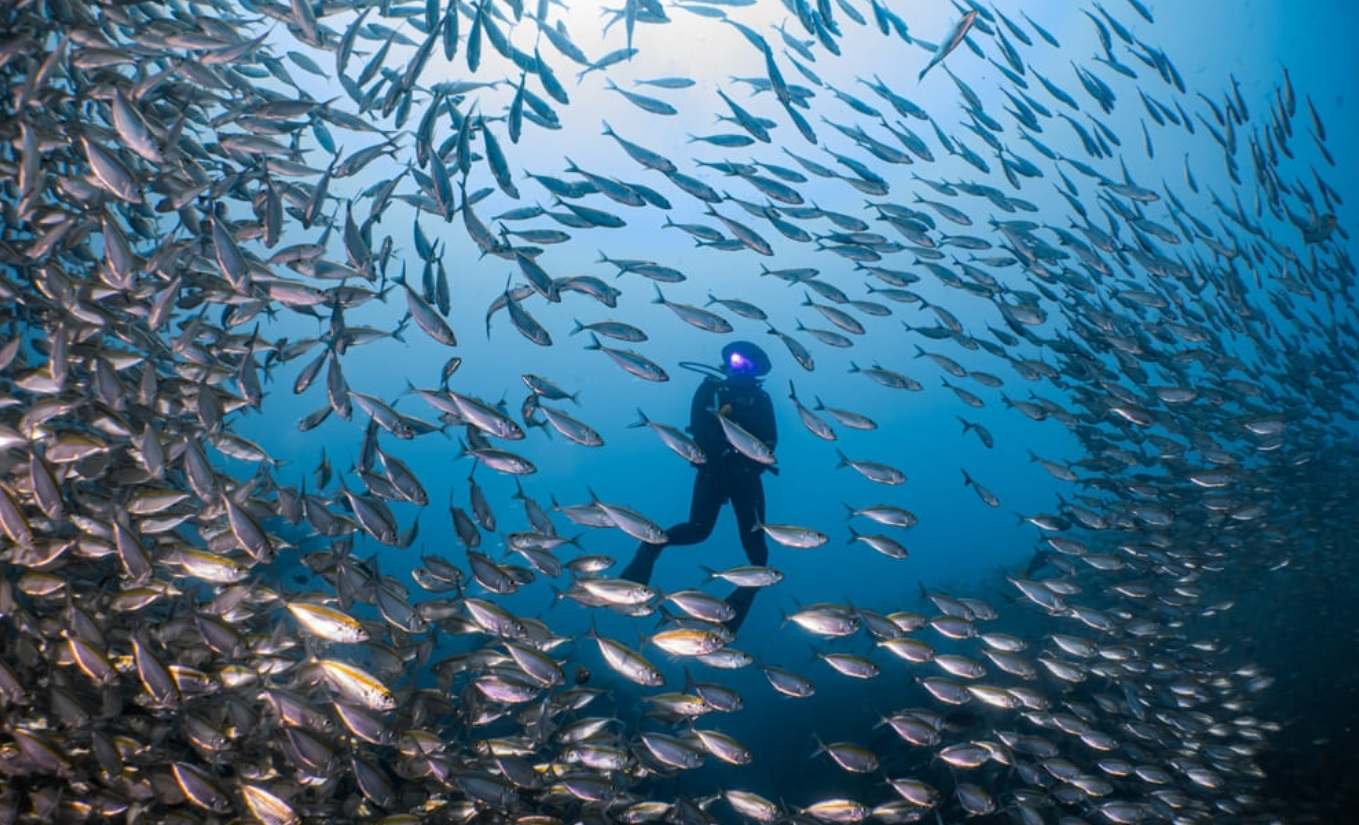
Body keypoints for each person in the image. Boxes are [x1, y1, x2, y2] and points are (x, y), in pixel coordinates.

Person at [620, 340, 777, 633]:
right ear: (727, 363)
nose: (741, 367)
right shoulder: (711, 390)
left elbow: (771, 439)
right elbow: (698, 428)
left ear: (758, 370)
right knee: (698, 530)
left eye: (749, 364)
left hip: (747, 476)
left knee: (758, 551)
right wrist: (720, 453)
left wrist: (751, 461)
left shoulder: (762, 399)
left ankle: (733, 610)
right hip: (713, 471)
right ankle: (649, 550)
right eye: (737, 361)